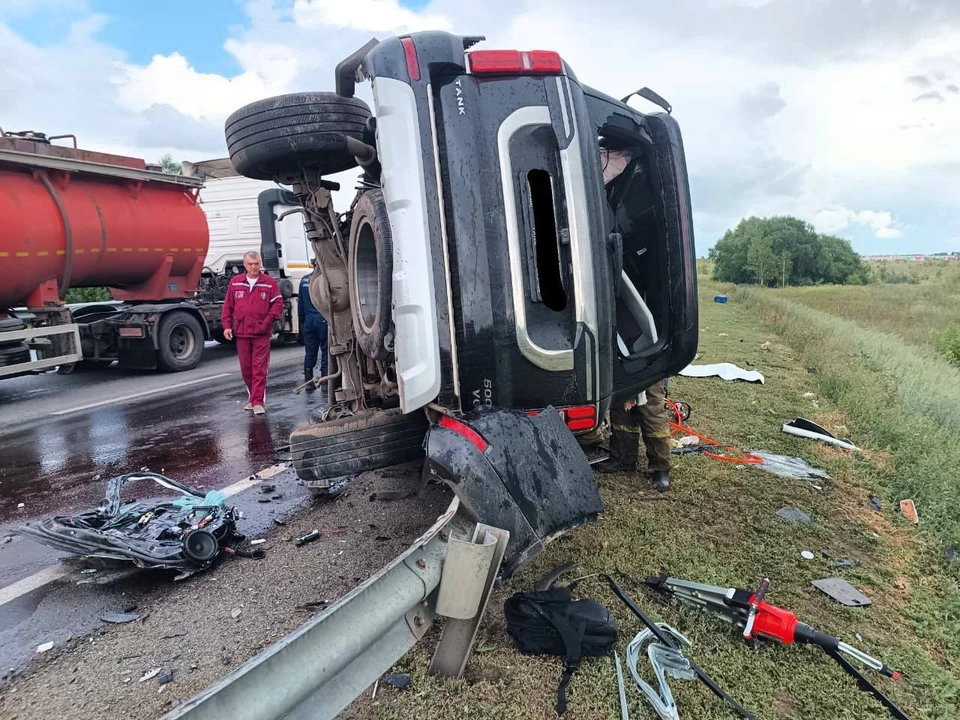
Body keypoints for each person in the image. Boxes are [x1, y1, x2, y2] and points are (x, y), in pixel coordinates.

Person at [592, 142, 673, 491]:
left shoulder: (647, 281)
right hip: (620, 344)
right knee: (620, 409)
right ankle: (622, 457)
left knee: (650, 409)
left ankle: (660, 468)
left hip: (643, 347)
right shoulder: (614, 279)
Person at [221, 250, 283, 415]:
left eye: (256, 264)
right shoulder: (235, 283)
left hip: (261, 334)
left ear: (260, 264)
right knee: (246, 368)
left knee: (259, 368)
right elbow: (228, 306)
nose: (254, 267)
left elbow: (277, 305)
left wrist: (266, 323)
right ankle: (253, 397)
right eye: (250, 264)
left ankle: (257, 402)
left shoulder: (269, 283)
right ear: (245, 265)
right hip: (241, 333)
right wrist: (227, 326)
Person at [298, 264, 329, 394]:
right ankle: (326, 383)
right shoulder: (325, 279)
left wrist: (302, 319)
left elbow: (300, 302)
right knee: (325, 350)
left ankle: (308, 382)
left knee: (310, 351)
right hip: (322, 320)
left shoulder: (304, 280)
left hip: (309, 321)